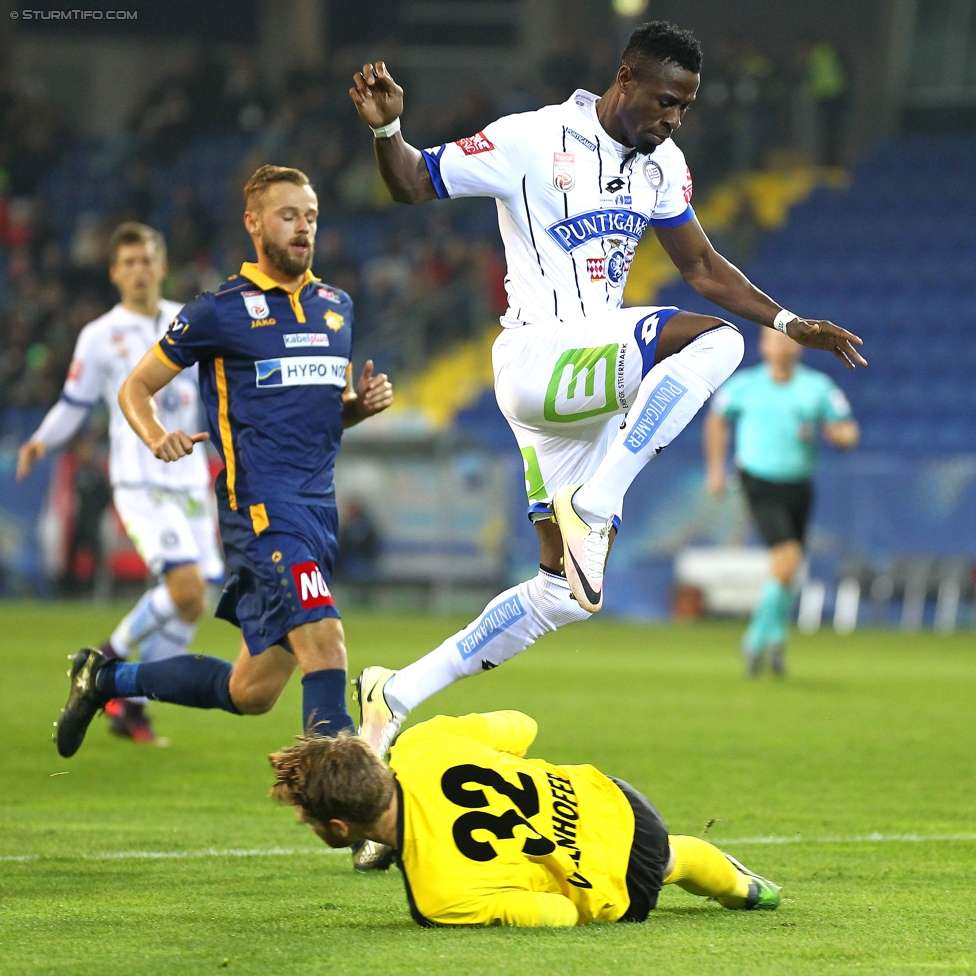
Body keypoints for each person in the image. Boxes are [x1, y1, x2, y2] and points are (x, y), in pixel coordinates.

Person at [346, 22, 866, 758]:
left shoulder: (663, 166)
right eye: (664, 101)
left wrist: (789, 320)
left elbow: (704, 267)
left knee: (565, 594)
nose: (673, 118)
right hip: (534, 357)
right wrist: (389, 128)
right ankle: (594, 502)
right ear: (625, 78)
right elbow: (411, 181)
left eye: (684, 107)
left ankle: (393, 693)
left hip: (584, 392)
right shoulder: (531, 138)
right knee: (717, 342)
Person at [54, 165, 394, 762]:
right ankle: (351, 808)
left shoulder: (336, 307)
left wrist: (355, 409)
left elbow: (312, 416)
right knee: (327, 641)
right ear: (254, 222)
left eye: (310, 217)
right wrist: (156, 435)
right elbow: (134, 388)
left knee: (251, 691)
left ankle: (102, 680)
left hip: (318, 515)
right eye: (288, 216)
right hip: (260, 510)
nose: (302, 229)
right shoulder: (218, 311)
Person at [268, 710, 781, 926]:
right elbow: (521, 726)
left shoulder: (436, 897)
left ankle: (741, 887)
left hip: (617, 873)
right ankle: (743, 887)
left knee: (665, 864)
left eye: (306, 819)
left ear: (340, 828)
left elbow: (558, 915)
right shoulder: (421, 743)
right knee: (671, 853)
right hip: (609, 795)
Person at [18, 222, 224, 744]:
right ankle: (107, 659)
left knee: (194, 602)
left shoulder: (190, 318)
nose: (137, 270)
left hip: (192, 481)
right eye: (127, 262)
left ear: (161, 265)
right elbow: (75, 404)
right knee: (185, 587)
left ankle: (128, 705)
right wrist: (43, 440)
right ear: (114, 272)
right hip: (139, 482)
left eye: (146, 260)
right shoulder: (99, 335)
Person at [705, 328, 859, 676]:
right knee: (787, 559)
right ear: (763, 345)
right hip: (758, 481)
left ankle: (774, 638)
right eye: (775, 340)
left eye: (788, 341)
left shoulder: (818, 387)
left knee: (788, 568)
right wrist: (715, 469)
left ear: (799, 347)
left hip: (798, 484)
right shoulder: (745, 385)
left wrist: (839, 436)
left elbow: (847, 428)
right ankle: (755, 639)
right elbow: (717, 420)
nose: (782, 347)